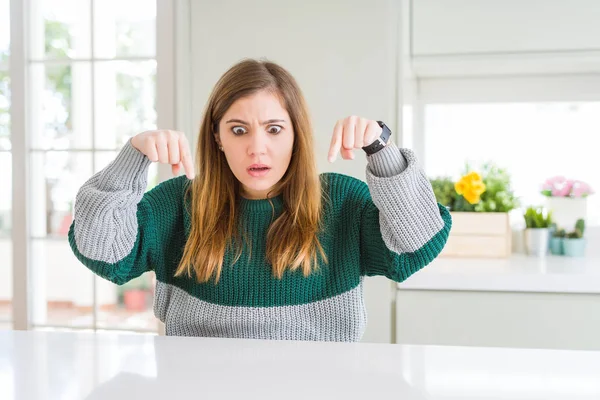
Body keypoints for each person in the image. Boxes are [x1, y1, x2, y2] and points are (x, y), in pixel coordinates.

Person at [68, 58, 451, 341]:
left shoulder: (341, 201)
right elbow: (102, 251)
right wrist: (132, 157)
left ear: (295, 134)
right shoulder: (179, 203)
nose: (257, 149)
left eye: (274, 129)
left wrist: (382, 148)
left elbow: (417, 245)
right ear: (218, 138)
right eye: (239, 130)